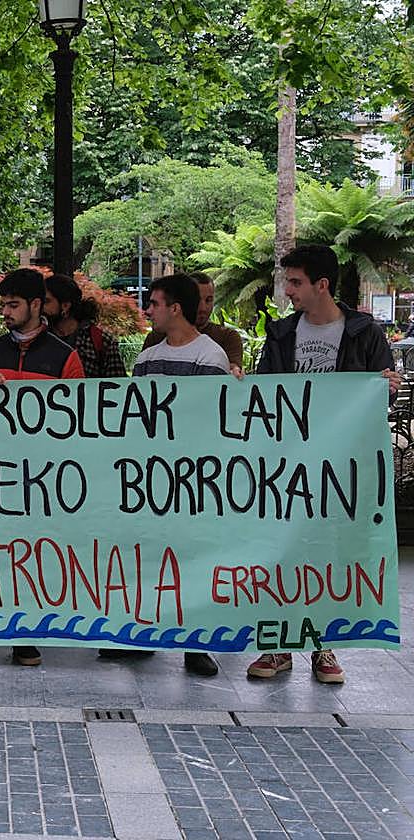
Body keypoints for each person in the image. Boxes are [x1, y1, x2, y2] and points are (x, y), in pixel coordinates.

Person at [247, 244, 401, 685]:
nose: (288, 291)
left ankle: (322, 644)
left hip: (341, 465)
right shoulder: (279, 335)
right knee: (283, 551)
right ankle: (277, 645)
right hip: (286, 464)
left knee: (328, 553)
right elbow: (263, 395)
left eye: (295, 283)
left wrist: (385, 386)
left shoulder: (363, 332)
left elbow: (378, 396)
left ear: (322, 284)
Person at [0, 268, 84, 667]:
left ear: (36, 305)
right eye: (3, 304)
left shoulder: (65, 357)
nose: (5, 311)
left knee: (32, 555)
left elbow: (78, 418)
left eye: (13, 304)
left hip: (42, 476)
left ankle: (25, 633)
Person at [122, 273, 227, 677]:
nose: (148, 311)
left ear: (175, 308)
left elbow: (208, 418)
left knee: (193, 560)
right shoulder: (147, 357)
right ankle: (144, 633)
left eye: (153, 303)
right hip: (150, 477)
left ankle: (196, 643)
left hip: (194, 478)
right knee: (150, 556)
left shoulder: (210, 356)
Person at [141, 271, 244, 373]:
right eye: (197, 300)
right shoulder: (154, 340)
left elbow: (232, 372)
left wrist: (233, 370)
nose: (203, 308)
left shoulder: (227, 338)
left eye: (208, 300)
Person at [43, 273, 126, 378]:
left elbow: (117, 386)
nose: (41, 307)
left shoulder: (101, 340)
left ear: (65, 306)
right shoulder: (38, 338)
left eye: (46, 302)